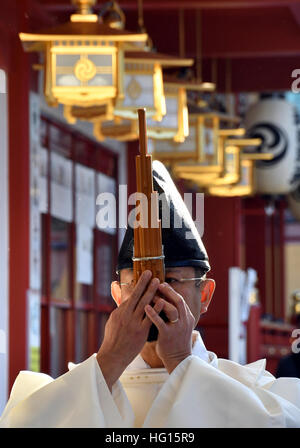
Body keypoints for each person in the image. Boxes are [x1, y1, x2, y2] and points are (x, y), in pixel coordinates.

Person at [1, 161, 300, 428]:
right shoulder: (67, 392)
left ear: (205, 294)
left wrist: (182, 362)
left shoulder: (261, 394)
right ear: (118, 296)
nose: (154, 294)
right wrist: (110, 361)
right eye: (139, 284)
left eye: (170, 280)